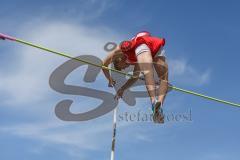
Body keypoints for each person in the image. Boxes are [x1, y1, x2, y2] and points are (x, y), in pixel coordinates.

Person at [102, 31, 169, 123]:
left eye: (121, 68)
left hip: (141, 44)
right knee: (163, 79)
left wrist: (109, 79)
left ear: (119, 61)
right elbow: (135, 77)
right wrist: (122, 89)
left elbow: (104, 65)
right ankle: (159, 105)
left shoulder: (121, 49)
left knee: (147, 72)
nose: (125, 68)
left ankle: (154, 102)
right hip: (154, 45)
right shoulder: (134, 59)